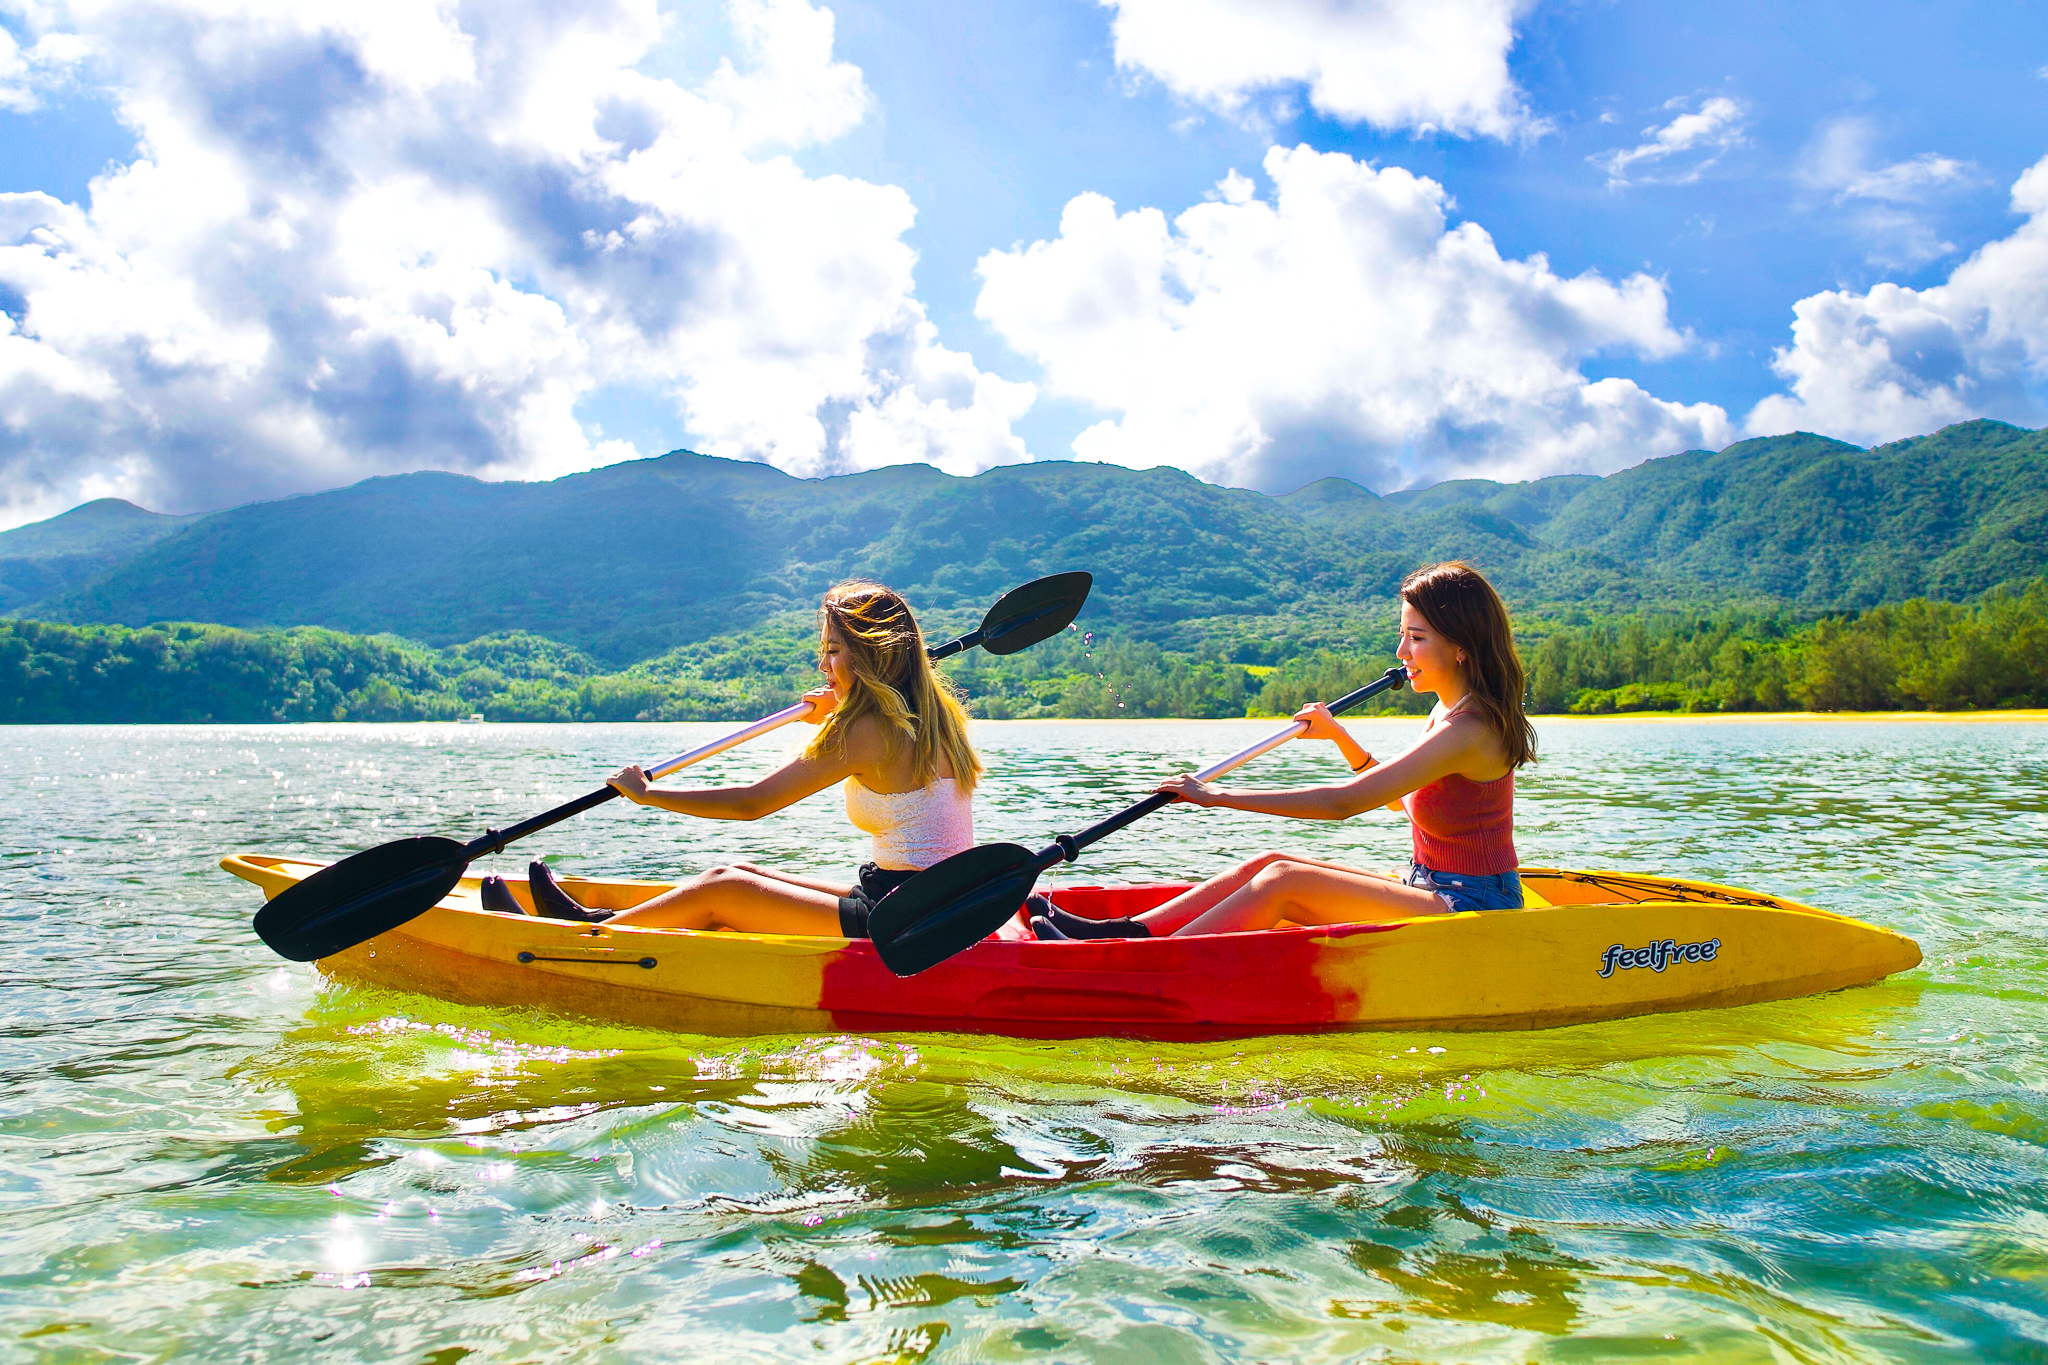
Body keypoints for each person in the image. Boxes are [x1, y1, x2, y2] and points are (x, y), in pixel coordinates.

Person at [1030, 560, 1535, 940]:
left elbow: (1344, 804)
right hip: (1428, 885)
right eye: (1402, 636)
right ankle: (1124, 934)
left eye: (1416, 638)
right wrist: (1339, 735)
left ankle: (1135, 965)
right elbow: (1398, 797)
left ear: (1461, 645)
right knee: (1268, 861)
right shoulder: (1445, 712)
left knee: (1282, 881)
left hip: (1474, 907)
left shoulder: (1471, 728)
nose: (1401, 653)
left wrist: (1218, 796)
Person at [482, 580, 982, 938]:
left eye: (833, 651)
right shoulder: (936, 714)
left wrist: (649, 794)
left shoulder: (867, 730)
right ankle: (597, 923)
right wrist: (839, 710)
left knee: (724, 889)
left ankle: (582, 942)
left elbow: (752, 803)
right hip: (936, 902)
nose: (822, 664)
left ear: (871, 655)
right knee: (736, 870)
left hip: (906, 919)